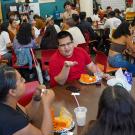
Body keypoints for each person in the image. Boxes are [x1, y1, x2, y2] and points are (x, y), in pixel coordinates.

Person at [0, 65, 55, 135]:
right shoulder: (12, 121)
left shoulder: (6, 101)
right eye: (21, 79)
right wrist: (47, 105)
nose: (24, 80)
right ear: (12, 92)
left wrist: (36, 98)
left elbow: (26, 114)